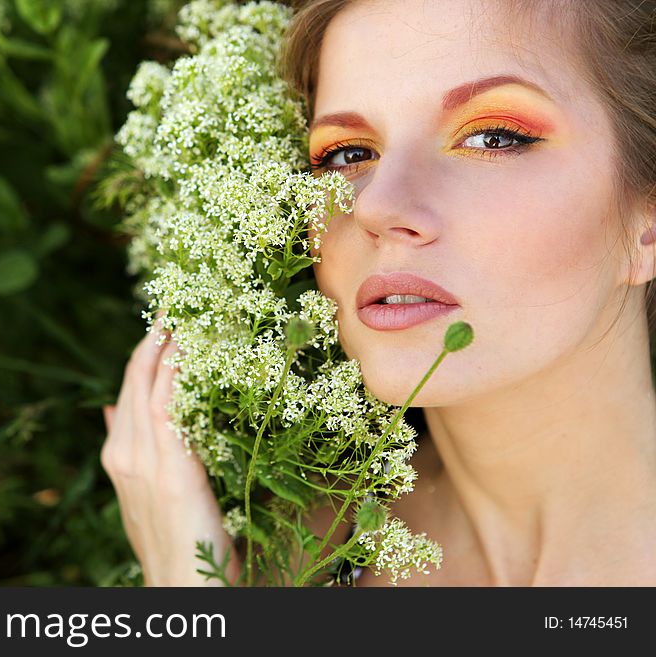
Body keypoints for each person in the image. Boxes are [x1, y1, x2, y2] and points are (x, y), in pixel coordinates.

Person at [101, 0, 656, 586]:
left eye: (493, 137)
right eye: (348, 154)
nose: (375, 204)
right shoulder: (301, 548)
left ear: (647, 219)